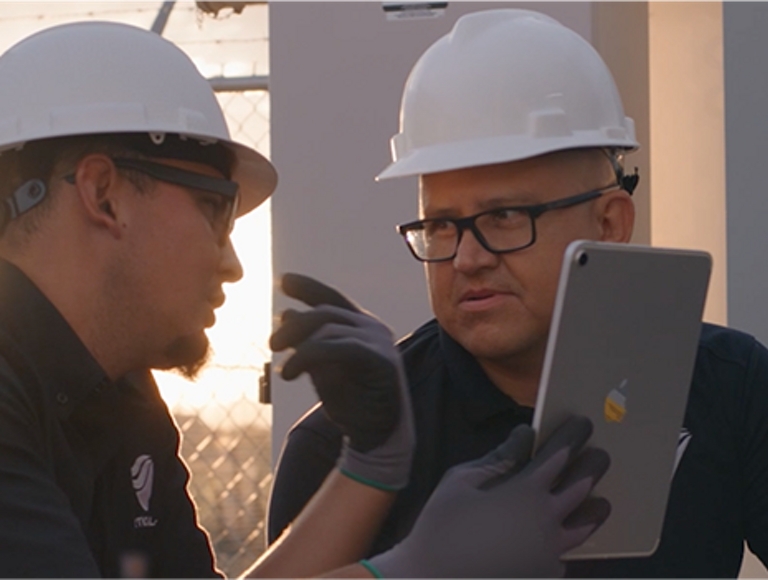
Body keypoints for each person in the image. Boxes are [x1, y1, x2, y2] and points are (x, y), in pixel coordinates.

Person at [0, 19, 612, 579]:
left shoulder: (119, 400)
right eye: (217, 211)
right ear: (104, 194)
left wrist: (369, 466)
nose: (234, 265)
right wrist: (416, 571)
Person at [267, 8, 768, 578]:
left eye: (505, 216)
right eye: (441, 226)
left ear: (610, 224)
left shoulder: (729, 385)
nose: (467, 257)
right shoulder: (345, 446)